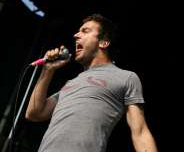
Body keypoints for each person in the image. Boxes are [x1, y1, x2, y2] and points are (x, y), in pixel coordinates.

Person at [25, 14, 158, 152]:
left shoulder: (126, 77)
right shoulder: (71, 83)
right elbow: (34, 113)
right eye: (78, 31)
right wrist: (47, 71)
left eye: (85, 31)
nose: (76, 35)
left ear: (103, 42)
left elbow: (140, 132)